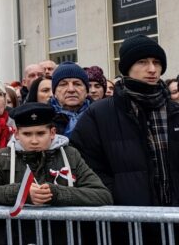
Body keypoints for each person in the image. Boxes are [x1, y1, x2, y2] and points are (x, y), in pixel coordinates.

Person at [72, 35, 179, 206]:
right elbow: (85, 165)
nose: (152, 69)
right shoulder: (98, 114)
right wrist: (118, 197)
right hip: (128, 220)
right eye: (142, 62)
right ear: (127, 68)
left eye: (157, 62)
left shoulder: (174, 111)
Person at [0, 102, 111, 205]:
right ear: (17, 134)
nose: (34, 140)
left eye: (40, 133)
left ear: (52, 133)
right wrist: (20, 192)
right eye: (27, 134)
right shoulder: (3, 157)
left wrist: (56, 193)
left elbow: (102, 195)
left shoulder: (70, 154)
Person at [49, 62, 91, 138]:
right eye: (63, 84)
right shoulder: (44, 119)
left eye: (77, 84)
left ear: (87, 91)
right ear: (54, 92)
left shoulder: (100, 115)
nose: (71, 89)